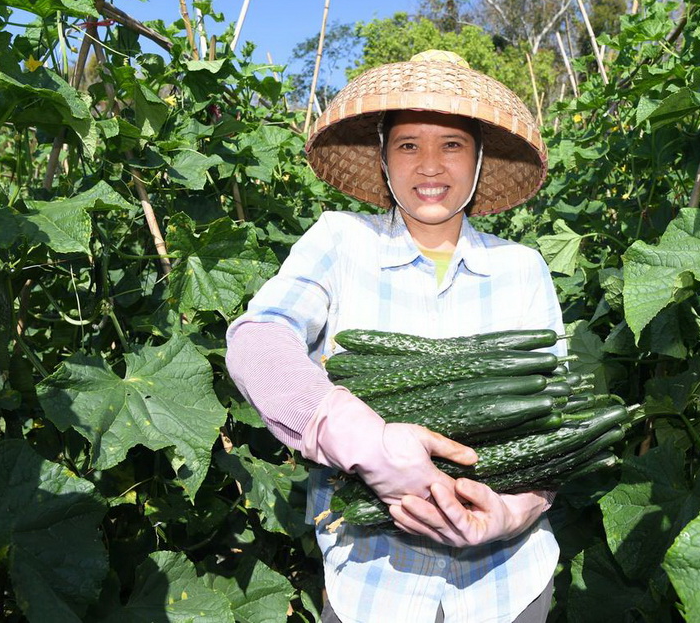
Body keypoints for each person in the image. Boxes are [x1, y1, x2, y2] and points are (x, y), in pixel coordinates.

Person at [226, 50, 566, 623]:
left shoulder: (523, 267)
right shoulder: (339, 240)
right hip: (372, 585)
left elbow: (553, 417)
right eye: (408, 144)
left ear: (480, 159)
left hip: (509, 586)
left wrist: (516, 508)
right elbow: (257, 344)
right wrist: (363, 441)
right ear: (383, 159)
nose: (429, 164)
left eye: (452, 144)